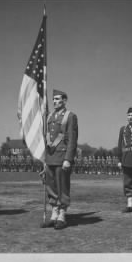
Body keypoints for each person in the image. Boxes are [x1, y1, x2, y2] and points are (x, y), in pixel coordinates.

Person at [44, 89, 78, 230]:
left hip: (62, 156)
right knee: (51, 186)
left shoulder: (70, 116)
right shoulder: (49, 116)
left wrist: (68, 159)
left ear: (64, 100)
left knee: (62, 186)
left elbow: (72, 139)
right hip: (50, 156)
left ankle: (62, 215)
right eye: (54, 99)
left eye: (58, 99)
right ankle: (54, 214)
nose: (55, 101)